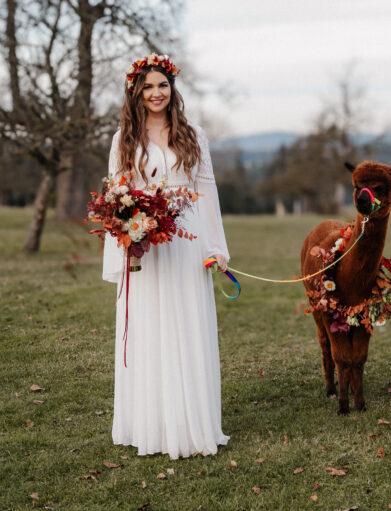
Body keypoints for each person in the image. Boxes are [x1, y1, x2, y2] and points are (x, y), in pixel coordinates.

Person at [102, 53, 230, 459]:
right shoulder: (124, 138)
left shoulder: (192, 134)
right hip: (147, 249)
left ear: (172, 89)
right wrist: (128, 240)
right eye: (149, 86)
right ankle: (152, 424)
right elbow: (114, 199)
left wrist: (215, 248)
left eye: (163, 85)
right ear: (135, 91)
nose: (157, 93)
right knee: (151, 328)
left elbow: (207, 190)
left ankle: (192, 425)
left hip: (187, 243)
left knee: (187, 325)